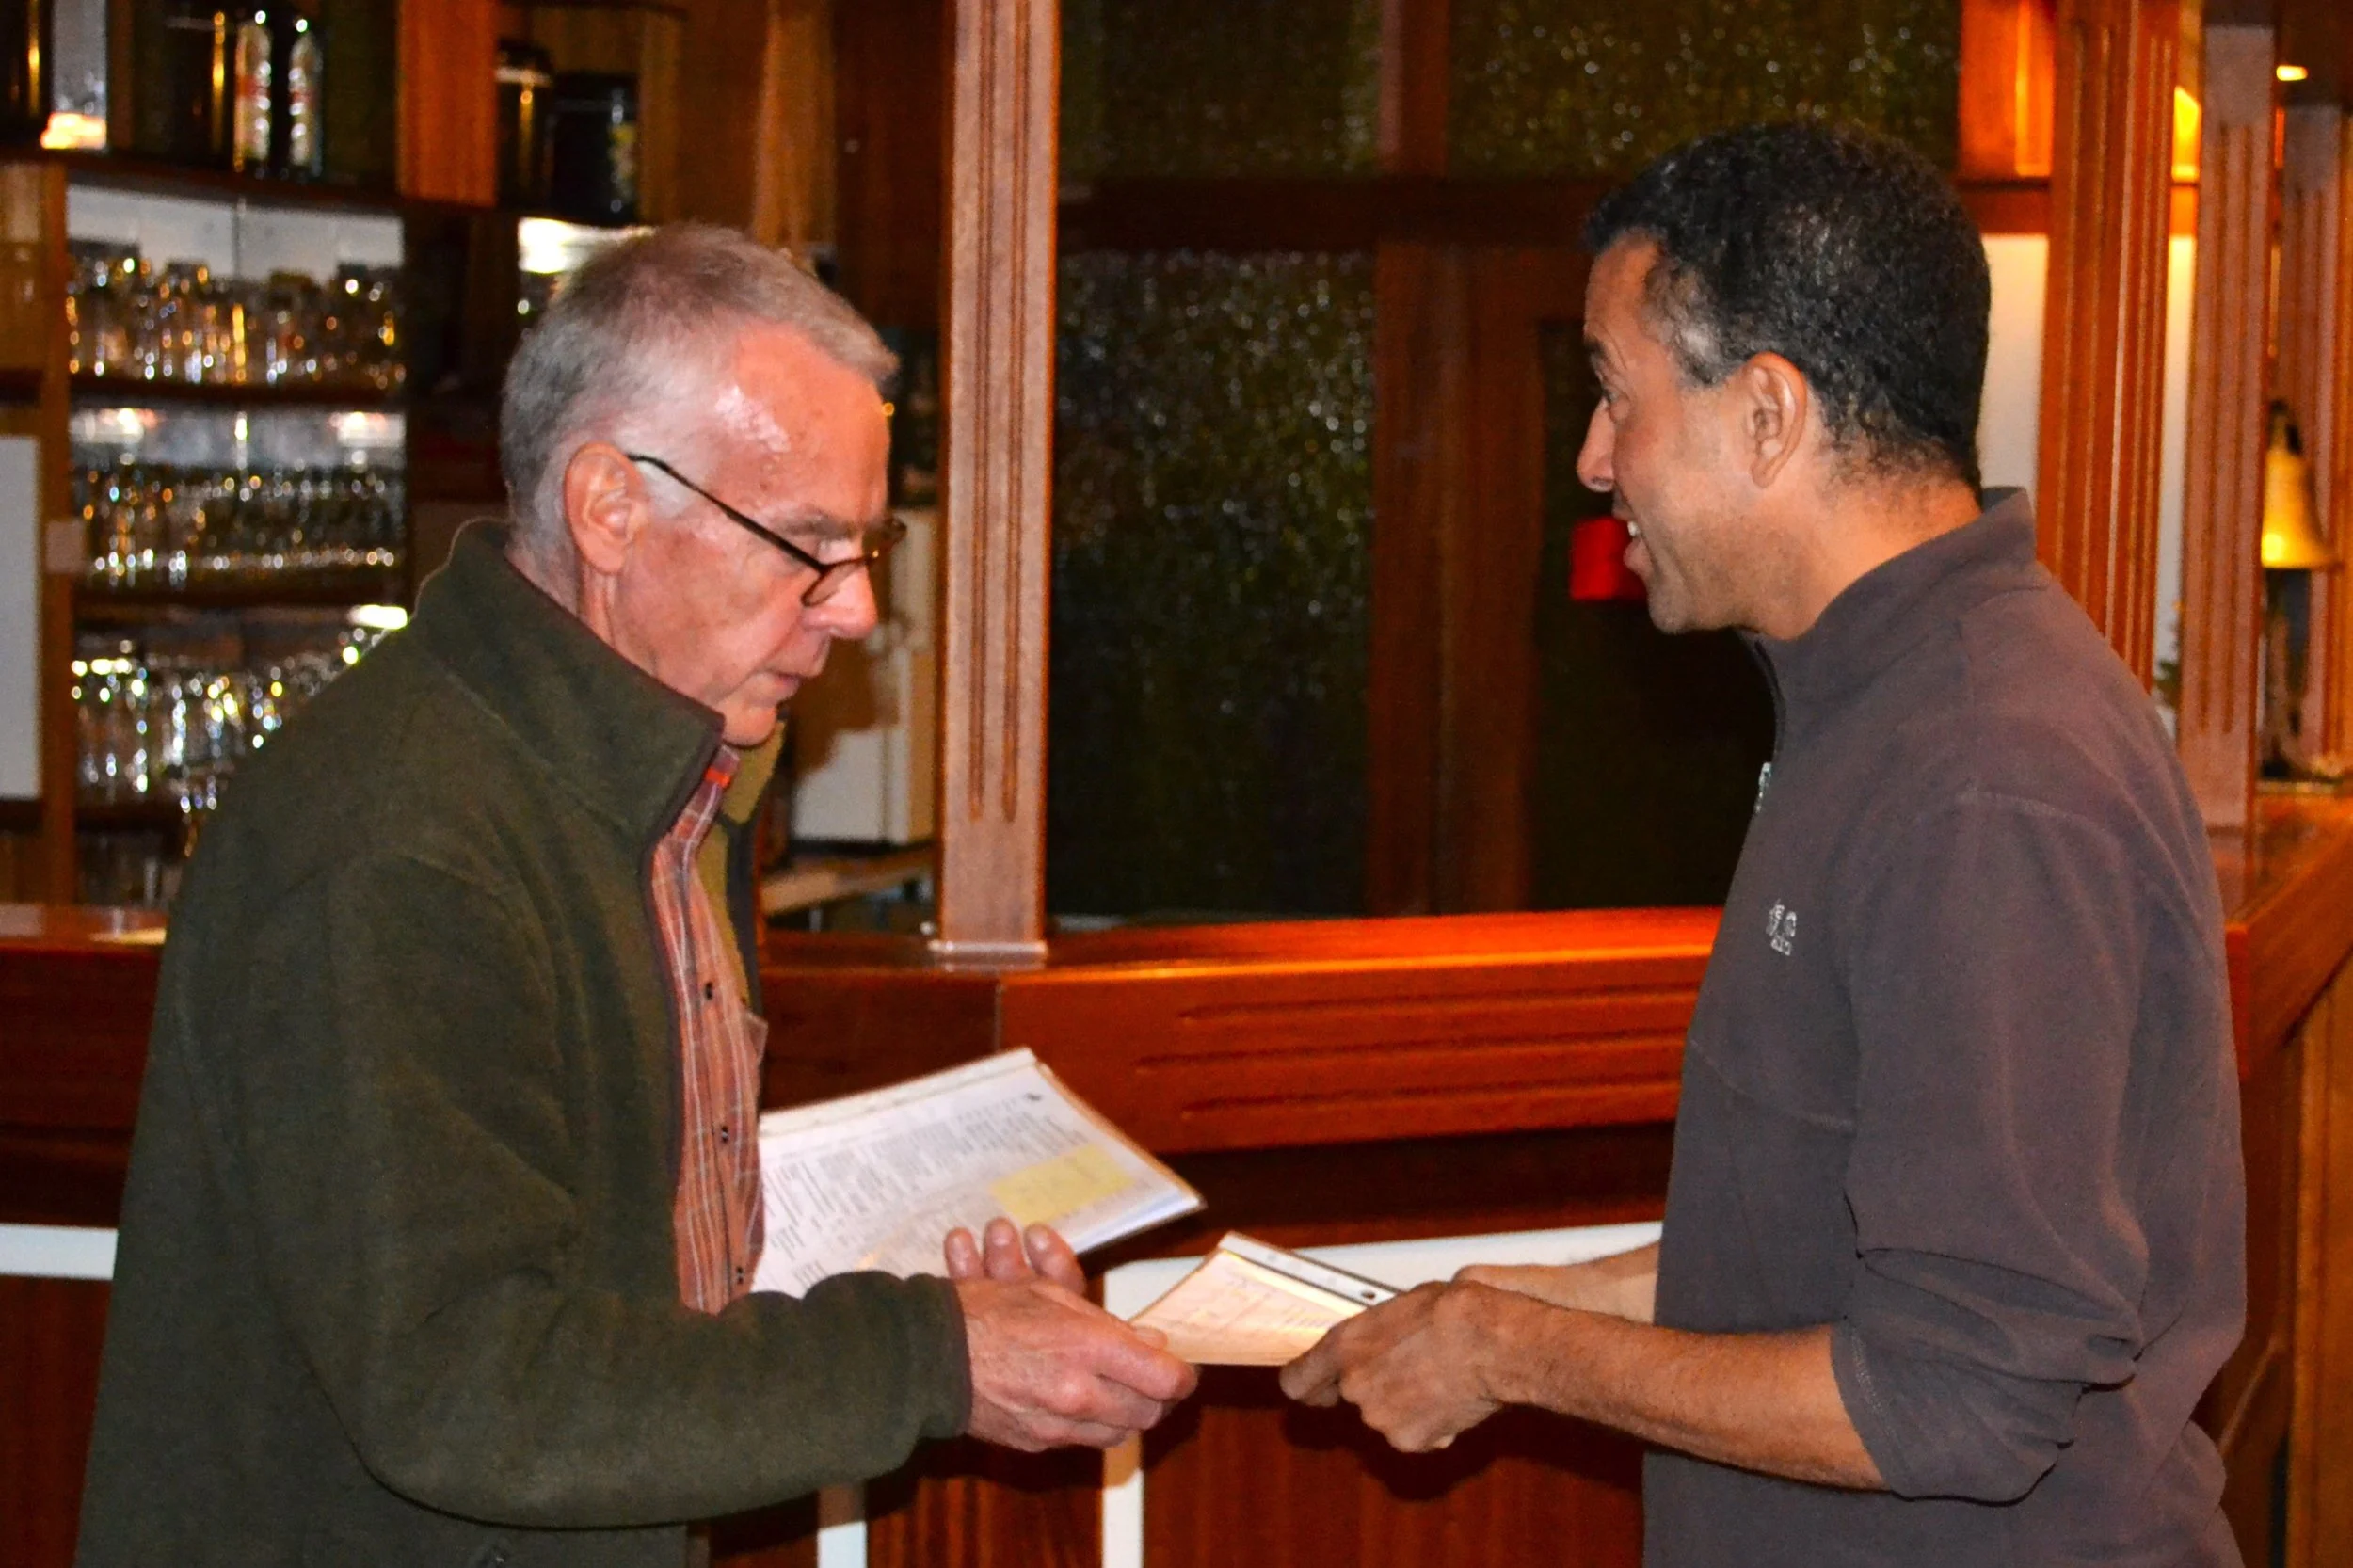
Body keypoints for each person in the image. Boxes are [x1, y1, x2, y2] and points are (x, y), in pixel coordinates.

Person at [77, 225, 1194, 1567]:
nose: (855, 610)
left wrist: (938, 1315)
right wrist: (927, 1356)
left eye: (865, 545)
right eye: (808, 544)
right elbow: (468, 1389)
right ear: (610, 506)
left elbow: (628, 1275)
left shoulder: (654, 779)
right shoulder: (400, 838)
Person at [1282, 123, 2246, 1566]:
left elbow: (1961, 1394)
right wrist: (1495, 1306)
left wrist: (1514, 1354)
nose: (1594, 459)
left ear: (1769, 414)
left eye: (1617, 395)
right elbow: (1821, 1250)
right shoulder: (1873, 698)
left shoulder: (1986, 772)